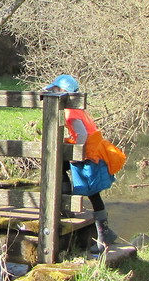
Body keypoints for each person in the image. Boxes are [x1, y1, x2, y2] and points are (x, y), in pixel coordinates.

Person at [45, 75, 127, 253]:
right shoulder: (79, 109)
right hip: (94, 152)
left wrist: (75, 154)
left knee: (92, 192)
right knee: (66, 172)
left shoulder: (70, 112)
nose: (54, 93)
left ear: (63, 92)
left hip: (90, 157)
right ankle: (102, 231)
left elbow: (82, 134)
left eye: (56, 90)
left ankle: (103, 236)